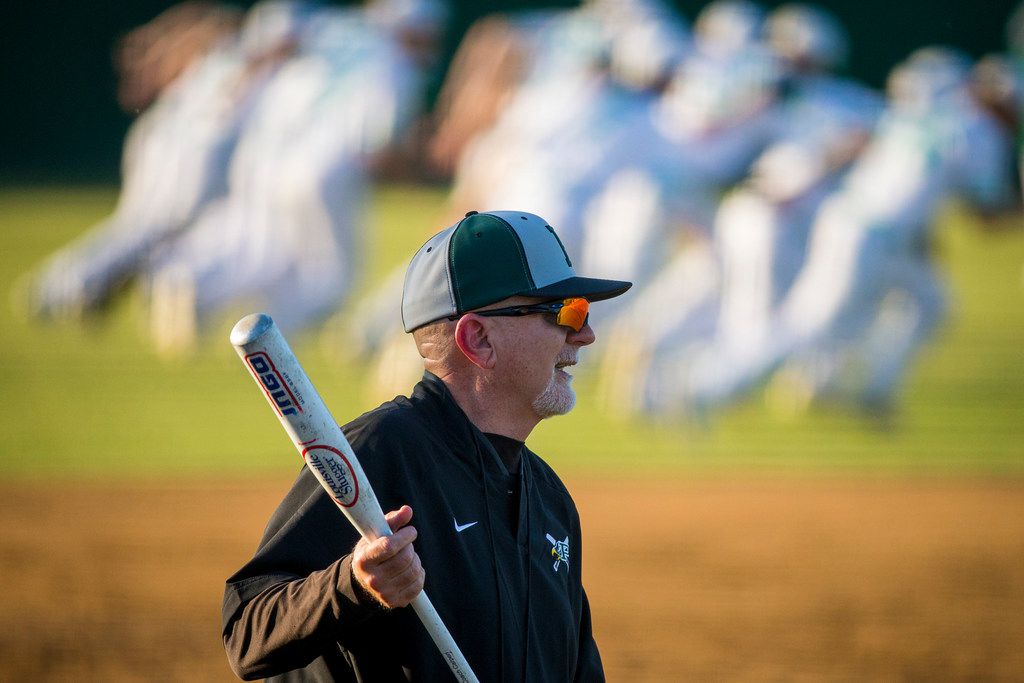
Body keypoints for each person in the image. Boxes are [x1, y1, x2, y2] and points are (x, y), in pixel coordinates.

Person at [222, 210, 630, 681]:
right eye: (565, 311)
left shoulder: (551, 501)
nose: (586, 334)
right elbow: (246, 631)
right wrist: (351, 584)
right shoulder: (381, 453)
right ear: (478, 339)